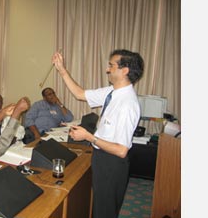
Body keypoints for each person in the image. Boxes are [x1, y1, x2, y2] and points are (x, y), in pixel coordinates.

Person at [52, 49, 144, 218]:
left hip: (113, 163)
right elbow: (80, 94)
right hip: (102, 157)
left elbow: (121, 150)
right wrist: (62, 70)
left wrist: (89, 137)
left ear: (125, 71)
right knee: (100, 206)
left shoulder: (127, 104)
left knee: (105, 210)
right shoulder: (112, 92)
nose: (108, 69)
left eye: (111, 65)